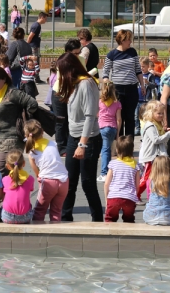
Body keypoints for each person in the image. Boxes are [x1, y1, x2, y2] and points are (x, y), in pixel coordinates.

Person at [57, 52, 103, 222]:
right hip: (73, 137)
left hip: (88, 139)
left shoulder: (86, 84)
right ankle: (65, 217)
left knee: (88, 183)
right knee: (69, 182)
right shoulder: (73, 84)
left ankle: (97, 220)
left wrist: (82, 145)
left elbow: (91, 116)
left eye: (61, 71)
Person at [0, 66, 39, 173]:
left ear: (4, 79)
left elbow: (32, 103)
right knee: (9, 171)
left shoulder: (13, 93)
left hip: (12, 138)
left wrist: (23, 115)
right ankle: (14, 189)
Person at [101, 30, 146, 136]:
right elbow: (105, 71)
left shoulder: (132, 52)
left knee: (130, 117)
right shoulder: (112, 54)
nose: (130, 41)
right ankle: (120, 143)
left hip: (131, 89)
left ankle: (129, 143)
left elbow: (138, 70)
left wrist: (142, 85)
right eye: (128, 39)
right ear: (122, 40)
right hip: (117, 90)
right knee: (119, 117)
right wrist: (106, 80)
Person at [24, 119, 68, 222]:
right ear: (42, 131)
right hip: (64, 180)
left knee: (40, 210)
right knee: (56, 211)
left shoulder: (32, 150)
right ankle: (55, 234)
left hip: (48, 181)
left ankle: (37, 234)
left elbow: (34, 167)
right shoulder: (53, 144)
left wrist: (38, 175)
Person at [137, 100, 170, 196]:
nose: (161, 115)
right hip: (150, 156)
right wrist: (168, 134)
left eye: (162, 113)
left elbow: (159, 136)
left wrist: (166, 131)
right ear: (151, 113)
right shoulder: (150, 125)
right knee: (146, 177)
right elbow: (156, 140)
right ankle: (135, 194)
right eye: (159, 113)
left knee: (161, 175)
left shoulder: (157, 124)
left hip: (156, 156)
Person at [104, 136, 140, 223]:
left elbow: (106, 184)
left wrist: (106, 200)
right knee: (129, 219)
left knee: (110, 219)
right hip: (129, 197)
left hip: (114, 196)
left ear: (117, 150)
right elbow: (137, 185)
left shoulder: (113, 164)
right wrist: (135, 197)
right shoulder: (135, 165)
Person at [0, 149, 34, 224]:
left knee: (2, 203)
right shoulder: (30, 179)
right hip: (25, 218)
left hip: (8, 217)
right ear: (24, 163)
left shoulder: (5, 179)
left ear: (7, 166)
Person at [97, 81, 122, 181]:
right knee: (107, 150)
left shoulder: (100, 102)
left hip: (102, 127)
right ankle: (108, 172)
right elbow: (119, 119)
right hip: (112, 127)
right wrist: (118, 133)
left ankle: (104, 173)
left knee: (105, 150)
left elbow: (96, 114)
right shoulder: (117, 103)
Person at [142, 156, 170, 226]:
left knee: (148, 206)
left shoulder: (150, 181)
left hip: (150, 217)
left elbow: (149, 198)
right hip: (167, 218)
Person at [27, 12, 47, 84]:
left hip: (35, 46)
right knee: (35, 62)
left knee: (36, 62)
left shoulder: (38, 25)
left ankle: (36, 77)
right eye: (45, 18)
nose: (46, 20)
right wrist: (27, 45)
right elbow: (30, 36)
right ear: (42, 17)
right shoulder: (36, 26)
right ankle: (35, 78)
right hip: (33, 46)